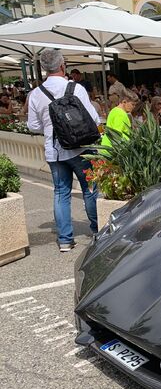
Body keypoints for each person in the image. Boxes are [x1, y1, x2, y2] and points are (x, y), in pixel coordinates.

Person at [27, 48, 100, 252]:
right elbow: (93, 119)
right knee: (90, 190)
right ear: (62, 65)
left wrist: (51, 127)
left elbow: (32, 126)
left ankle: (65, 240)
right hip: (80, 149)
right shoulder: (76, 88)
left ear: (44, 68)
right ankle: (97, 231)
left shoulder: (35, 94)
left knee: (61, 192)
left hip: (54, 151)